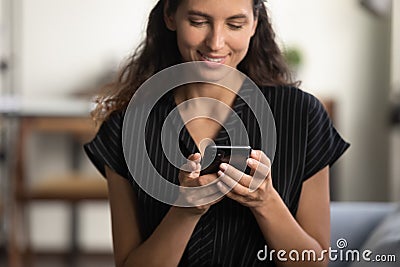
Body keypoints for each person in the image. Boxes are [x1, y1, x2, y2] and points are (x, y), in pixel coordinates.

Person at [84, 0, 349, 266]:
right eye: (198, 22)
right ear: (170, 16)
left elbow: (314, 263)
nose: (216, 43)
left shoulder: (301, 115)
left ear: (254, 24)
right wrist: (185, 211)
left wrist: (265, 202)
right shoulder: (126, 127)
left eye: (234, 24)